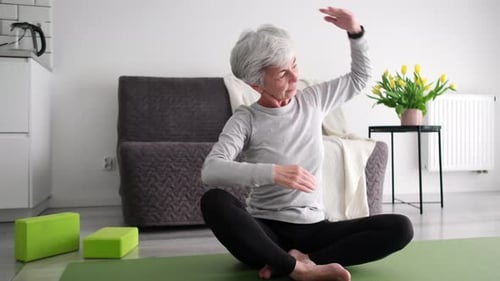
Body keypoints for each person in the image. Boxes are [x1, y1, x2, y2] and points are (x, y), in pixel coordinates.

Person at [200, 6, 413, 281]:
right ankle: (295, 267)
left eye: (295, 65)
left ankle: (303, 263)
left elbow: (359, 78)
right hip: (265, 234)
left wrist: (355, 33)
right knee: (214, 201)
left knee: (400, 227)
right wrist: (274, 173)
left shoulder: (312, 100)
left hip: (315, 230)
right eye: (282, 74)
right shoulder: (246, 119)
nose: (295, 78)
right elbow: (211, 170)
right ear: (256, 85)